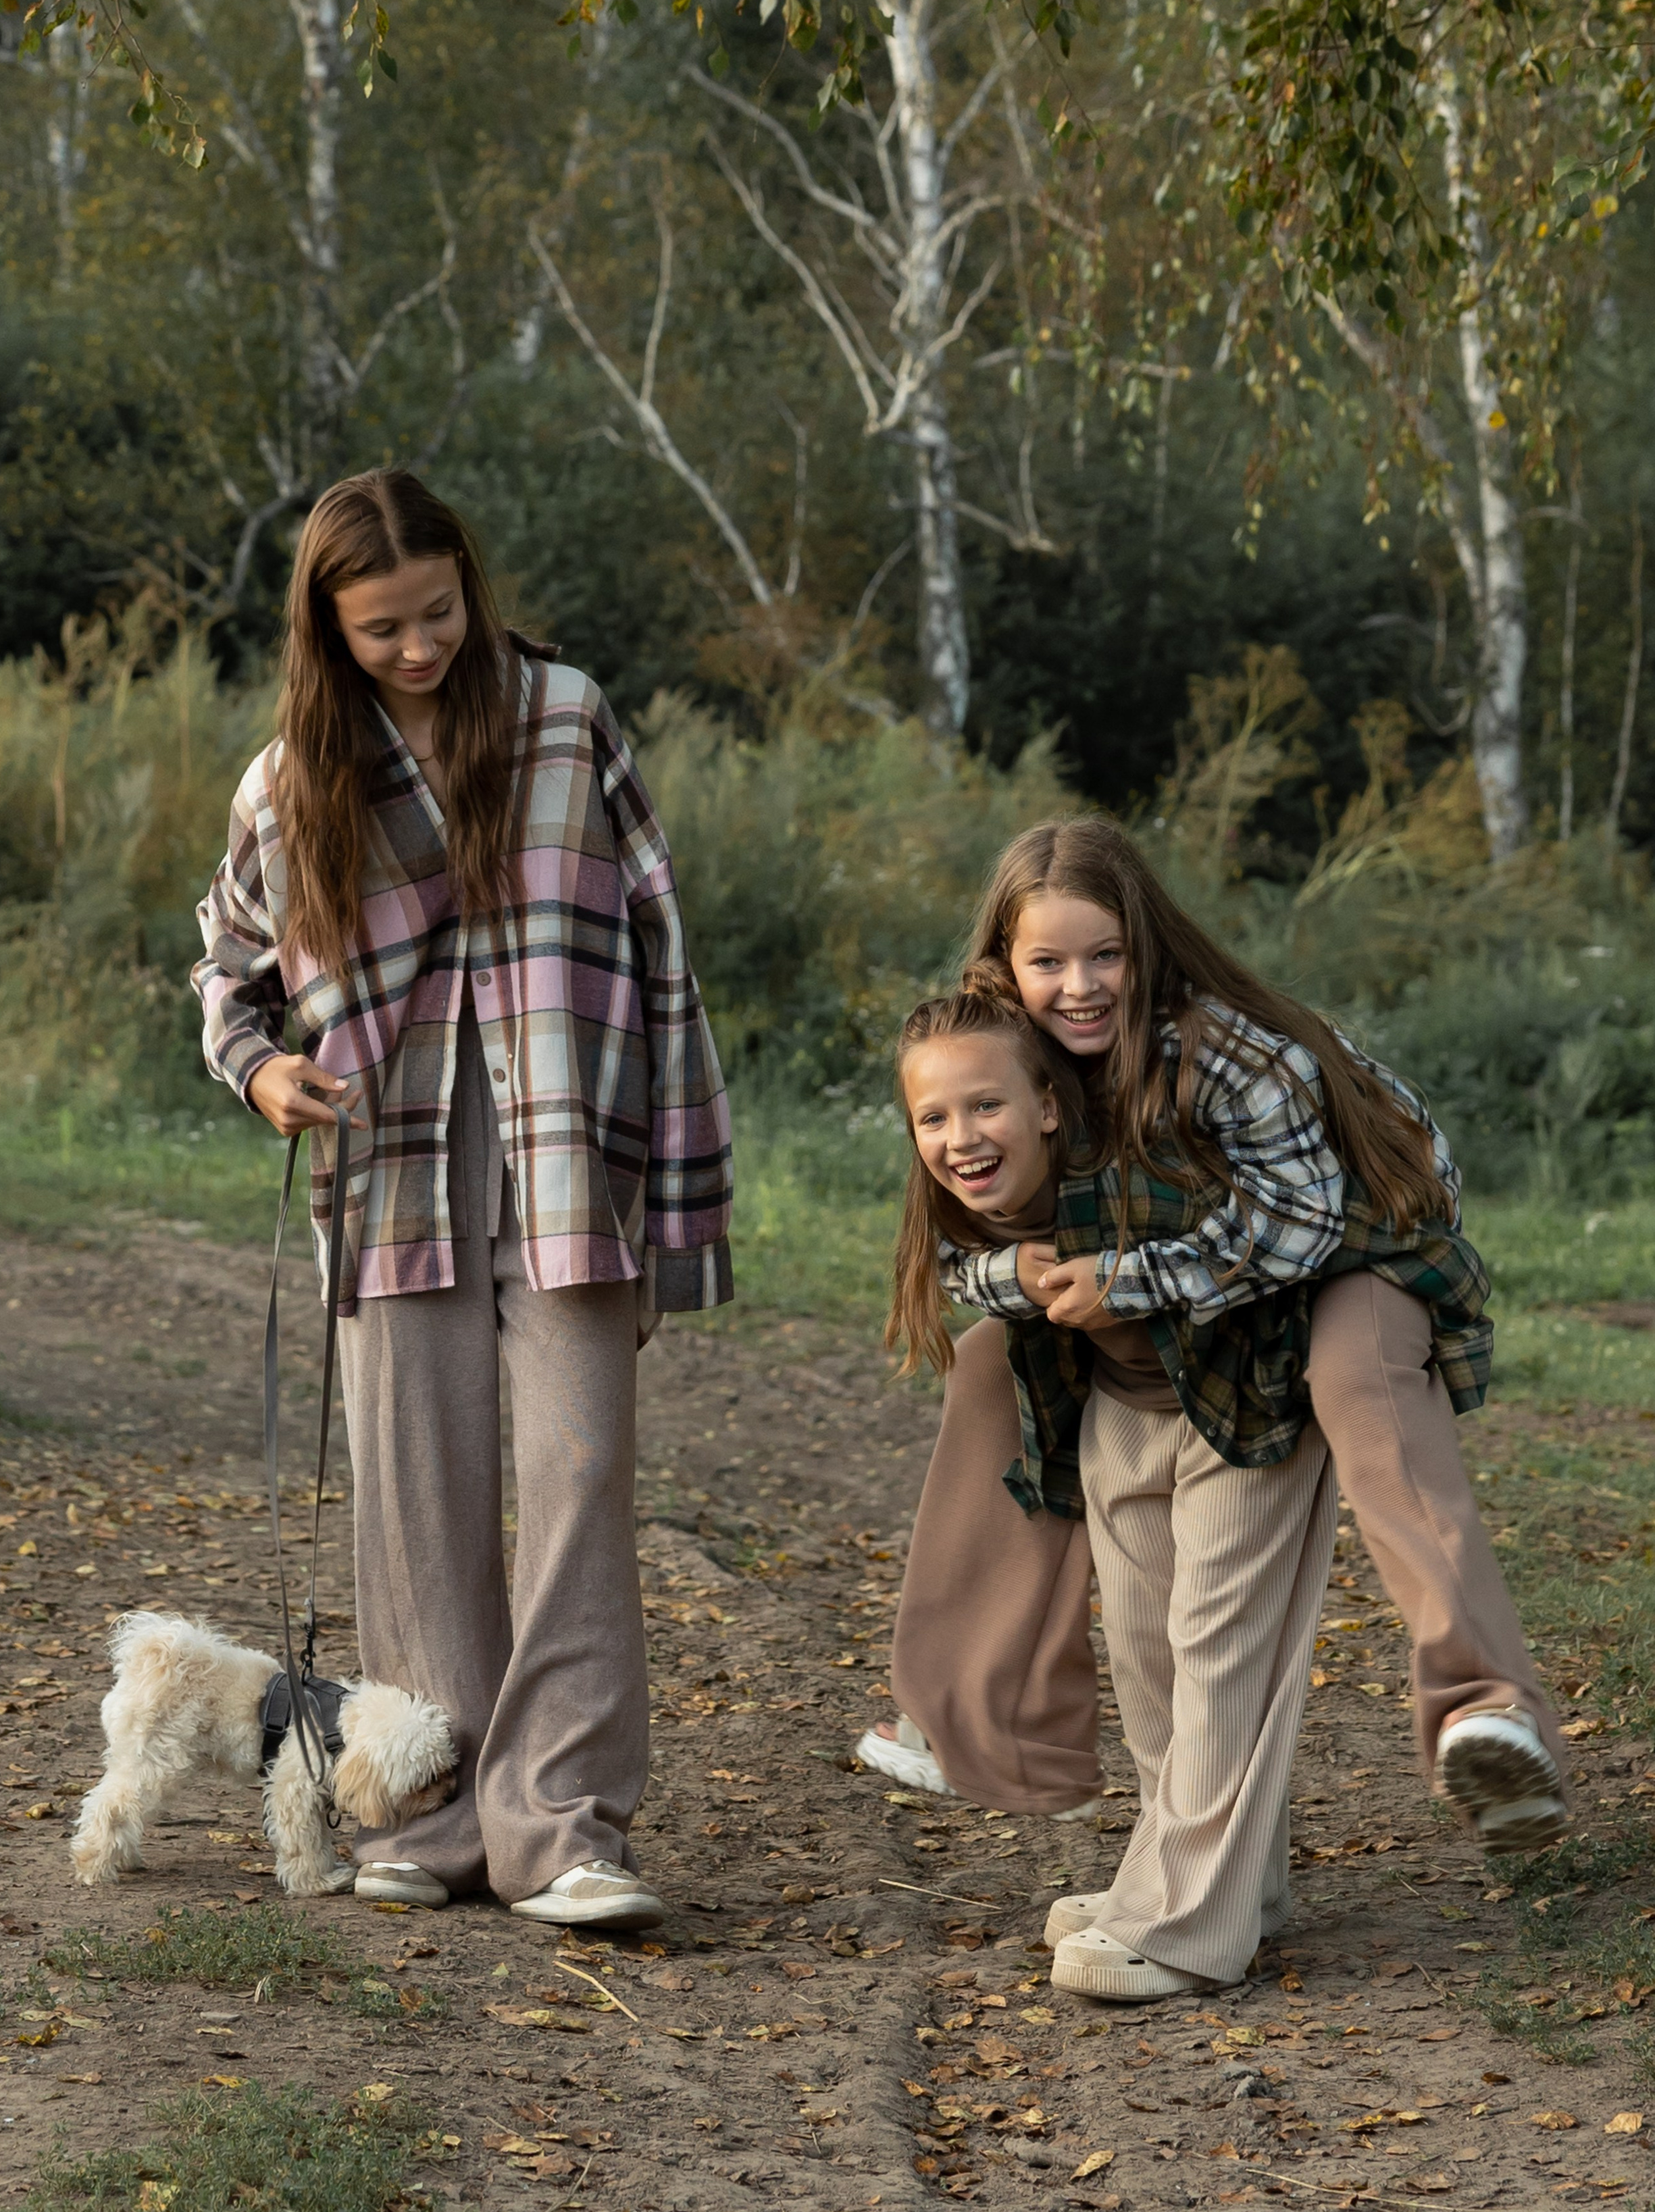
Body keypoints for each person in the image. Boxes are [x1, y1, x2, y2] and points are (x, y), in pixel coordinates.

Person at [193, 469, 732, 1925]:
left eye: (437, 612)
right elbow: (225, 964)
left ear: (467, 583)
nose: (419, 647)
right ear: (327, 631)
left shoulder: (565, 718)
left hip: (569, 1148)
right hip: (390, 1169)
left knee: (581, 1479)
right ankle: (434, 1814)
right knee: (417, 1502)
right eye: (382, 631)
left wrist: (681, 1178)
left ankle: (560, 1827)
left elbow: (660, 942)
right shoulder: (288, 783)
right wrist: (257, 1071)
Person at [862, 817, 1568, 1908]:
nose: (1081, 986)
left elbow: (1297, 1225)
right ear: (1005, 966)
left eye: (1107, 955)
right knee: (992, 1362)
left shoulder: (1234, 1049)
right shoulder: (999, 1057)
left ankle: (1486, 1701)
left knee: (1358, 1388)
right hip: (1216, 1276)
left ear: (1149, 943)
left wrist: (1122, 1281)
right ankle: (963, 1700)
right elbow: (965, 1251)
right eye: (1047, 962)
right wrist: (1045, 1280)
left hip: (1361, 1242)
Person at [887, 989, 1339, 2000]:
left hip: (1242, 1402)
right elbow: (962, 1272)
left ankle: (1186, 1922)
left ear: (1049, 1105)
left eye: (985, 1107)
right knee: (1145, 1651)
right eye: (934, 1117)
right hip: (1123, 1416)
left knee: (1219, 1649)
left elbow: (1274, 1236)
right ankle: (1226, 1881)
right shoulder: (973, 1205)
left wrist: (1128, 1279)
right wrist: (1017, 1271)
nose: (961, 1137)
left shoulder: (1140, 1159)